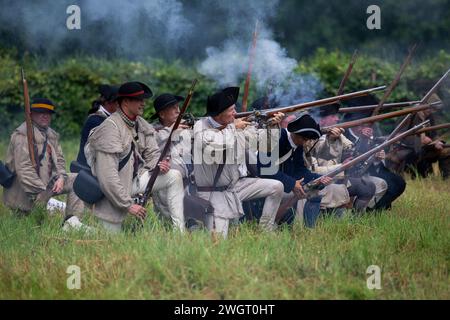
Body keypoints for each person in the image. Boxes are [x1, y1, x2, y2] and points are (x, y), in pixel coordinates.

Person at [85, 82, 185, 233]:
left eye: (143, 100)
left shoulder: (141, 124)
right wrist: (128, 205)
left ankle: (179, 233)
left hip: (134, 181)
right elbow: (108, 177)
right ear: (125, 102)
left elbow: (153, 154)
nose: (143, 103)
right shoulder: (109, 129)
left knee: (174, 176)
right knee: (109, 240)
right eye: (139, 100)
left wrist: (158, 166)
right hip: (111, 190)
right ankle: (72, 224)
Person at [192, 87, 285, 238]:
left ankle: (265, 230)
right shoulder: (200, 127)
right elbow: (216, 144)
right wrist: (234, 128)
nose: (235, 113)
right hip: (213, 193)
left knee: (276, 186)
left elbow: (266, 145)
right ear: (219, 113)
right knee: (218, 240)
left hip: (234, 186)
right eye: (231, 110)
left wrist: (272, 126)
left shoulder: (231, 126)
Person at [2, 98, 83, 218]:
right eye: (40, 112)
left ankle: (72, 221)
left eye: (48, 113)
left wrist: (61, 177)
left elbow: (60, 160)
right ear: (31, 114)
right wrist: (40, 192)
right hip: (26, 193)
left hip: (45, 186)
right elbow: (24, 170)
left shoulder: (52, 135)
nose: (45, 116)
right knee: (32, 227)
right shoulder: (21, 136)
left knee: (78, 180)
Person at [258, 113, 335, 228]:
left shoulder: (297, 144)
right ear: (295, 133)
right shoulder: (276, 137)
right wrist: (292, 183)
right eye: (304, 139)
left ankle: (307, 230)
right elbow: (265, 169)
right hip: (262, 180)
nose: (306, 142)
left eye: (308, 139)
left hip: (280, 181)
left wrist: (318, 179)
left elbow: (299, 170)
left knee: (313, 192)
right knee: (299, 193)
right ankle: (269, 227)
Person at [73, 84, 119, 170]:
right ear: (109, 102)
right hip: (88, 172)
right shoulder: (96, 121)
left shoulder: (107, 118)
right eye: (118, 102)